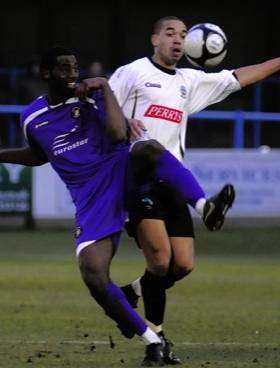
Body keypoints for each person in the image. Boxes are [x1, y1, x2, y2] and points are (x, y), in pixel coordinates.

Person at [0, 46, 236, 366]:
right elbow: (39, 155)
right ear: (45, 74)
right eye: (64, 69)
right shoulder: (32, 116)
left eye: (75, 68)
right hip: (90, 198)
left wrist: (104, 87)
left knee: (148, 148)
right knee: (94, 275)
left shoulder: (91, 97)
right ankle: (152, 341)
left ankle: (204, 205)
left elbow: (117, 133)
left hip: (120, 173)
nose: (73, 75)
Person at [108, 15, 280, 365]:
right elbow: (102, 110)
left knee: (183, 265)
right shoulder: (132, 72)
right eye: (170, 33)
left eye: (184, 34)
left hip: (173, 182)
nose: (178, 39)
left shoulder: (190, 81)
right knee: (159, 261)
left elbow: (239, 77)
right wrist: (124, 122)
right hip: (137, 176)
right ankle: (156, 342)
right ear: (154, 38)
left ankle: (132, 292)